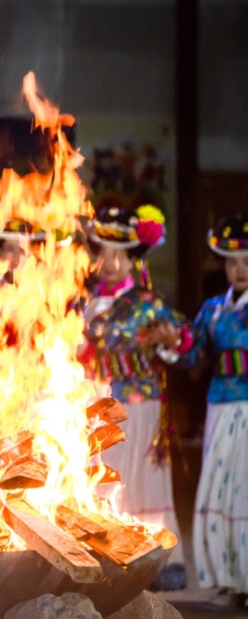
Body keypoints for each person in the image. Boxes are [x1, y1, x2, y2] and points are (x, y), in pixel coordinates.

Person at [81, 204, 190, 591]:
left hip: (140, 403)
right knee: (104, 477)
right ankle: (109, 552)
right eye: (103, 253)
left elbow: (183, 339)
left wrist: (171, 341)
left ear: (133, 260)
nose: (109, 263)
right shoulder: (86, 303)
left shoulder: (146, 302)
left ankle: (155, 557)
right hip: (98, 402)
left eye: (119, 255)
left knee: (142, 479)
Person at [177, 214, 248, 607]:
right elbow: (194, 356)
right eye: (234, 261)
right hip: (220, 405)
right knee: (219, 490)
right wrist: (171, 341)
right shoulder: (214, 310)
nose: (240, 270)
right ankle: (229, 580)